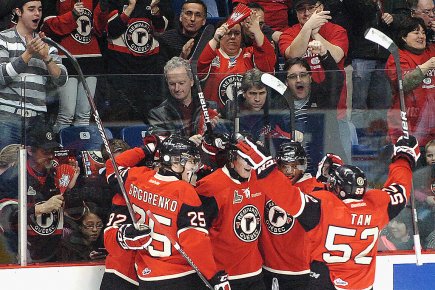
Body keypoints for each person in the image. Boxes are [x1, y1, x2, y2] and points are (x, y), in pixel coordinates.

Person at [103, 135, 231, 290]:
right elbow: (195, 242)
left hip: (147, 277)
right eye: (190, 161)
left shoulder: (138, 178)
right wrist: (213, 275)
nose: (194, 166)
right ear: (175, 163)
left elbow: (112, 167)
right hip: (180, 276)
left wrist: (149, 147)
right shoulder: (184, 191)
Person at [299, 135, 420, 289]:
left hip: (326, 276)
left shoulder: (324, 208)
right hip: (362, 283)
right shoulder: (376, 209)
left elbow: (298, 199)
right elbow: (399, 189)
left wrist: (321, 182)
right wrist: (404, 159)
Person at [196, 134, 311, 290]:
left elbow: (287, 187)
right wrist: (210, 273)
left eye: (252, 161)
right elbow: (197, 235)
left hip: (255, 273)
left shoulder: (260, 179)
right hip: (224, 276)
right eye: (245, 159)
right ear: (231, 158)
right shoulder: (211, 186)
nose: (250, 165)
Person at [278, 0, 350, 162]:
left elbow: (336, 56)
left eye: (311, 8)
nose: (306, 13)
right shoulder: (288, 34)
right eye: (301, 9)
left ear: (322, 8)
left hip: (335, 111)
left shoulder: (337, 30)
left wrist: (316, 33)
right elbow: (293, 55)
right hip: (300, 113)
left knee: (341, 164)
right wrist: (307, 28)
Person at [0, 124, 80, 263]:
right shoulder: (13, 176)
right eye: (45, 151)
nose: (50, 156)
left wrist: (70, 188)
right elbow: (5, 213)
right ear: (30, 151)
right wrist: (39, 209)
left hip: (54, 254)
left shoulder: (57, 173)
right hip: (22, 254)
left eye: (53, 151)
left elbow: (73, 213)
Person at [0, 0, 68, 149]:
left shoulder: (46, 44)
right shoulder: (3, 38)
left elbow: (61, 79)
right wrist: (28, 53)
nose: (37, 13)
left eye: (39, 9)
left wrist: (46, 58)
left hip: (38, 120)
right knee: (6, 168)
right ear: (18, 12)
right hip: (8, 117)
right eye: (31, 9)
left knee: (35, 170)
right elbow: (1, 77)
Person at [259, 141, 326, 290]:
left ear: (303, 165)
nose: (289, 171)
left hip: (303, 272)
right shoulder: (267, 185)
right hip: (268, 270)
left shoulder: (315, 188)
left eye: (294, 165)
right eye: (284, 166)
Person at [40, 0, 103, 133]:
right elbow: (48, 28)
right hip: (66, 57)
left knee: (84, 115)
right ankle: (61, 150)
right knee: (66, 114)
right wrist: (72, 15)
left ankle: (81, 150)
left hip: (92, 57)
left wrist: (104, 10)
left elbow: (99, 28)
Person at [283, 40, 347, 167]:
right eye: (293, 77)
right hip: (291, 167)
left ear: (310, 78)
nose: (299, 80)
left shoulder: (323, 96)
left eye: (303, 75)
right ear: (286, 82)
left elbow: (337, 79)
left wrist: (324, 54)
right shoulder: (279, 104)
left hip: (326, 164)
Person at [103, 0, 167, 122]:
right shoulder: (115, 3)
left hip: (147, 72)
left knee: (148, 116)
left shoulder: (154, 3)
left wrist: (154, 12)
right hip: (121, 72)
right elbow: (112, 30)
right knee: (121, 116)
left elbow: (161, 29)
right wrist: (130, 8)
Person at [197, 14, 276, 111]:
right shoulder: (211, 55)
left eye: (237, 33)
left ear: (242, 36)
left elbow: (268, 64)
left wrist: (257, 31)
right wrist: (214, 40)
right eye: (228, 33)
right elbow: (199, 65)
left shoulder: (250, 54)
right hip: (216, 118)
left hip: (247, 117)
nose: (233, 37)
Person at [345, 0, 395, 130]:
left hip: (384, 56)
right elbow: (355, 11)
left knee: (382, 104)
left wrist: (393, 18)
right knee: (358, 104)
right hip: (361, 55)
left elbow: (404, 16)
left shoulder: (387, 3)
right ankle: (357, 138)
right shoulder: (360, 4)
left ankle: (380, 139)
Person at [385, 16, 435, 147]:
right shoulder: (397, 56)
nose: (421, 36)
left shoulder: (432, 50)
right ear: (403, 37)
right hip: (408, 125)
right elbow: (403, 84)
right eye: (416, 32)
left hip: (432, 124)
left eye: (423, 32)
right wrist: (427, 66)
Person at [148, 56, 221, 140]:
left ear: (192, 81)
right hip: (177, 153)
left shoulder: (210, 107)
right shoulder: (158, 114)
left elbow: (223, 139)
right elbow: (162, 145)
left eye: (181, 83)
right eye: (172, 84)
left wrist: (215, 128)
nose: (177, 88)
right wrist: (188, 143)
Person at [236, 68, 291, 155]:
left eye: (261, 93)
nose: (257, 99)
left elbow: (291, 121)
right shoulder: (231, 110)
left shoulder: (274, 108)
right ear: (243, 93)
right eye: (252, 93)